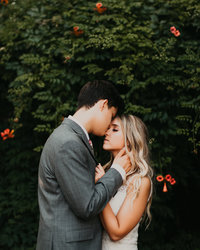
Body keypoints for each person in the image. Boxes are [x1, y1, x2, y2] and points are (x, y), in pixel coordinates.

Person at [36, 80, 131, 250]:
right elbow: (87, 206)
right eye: (111, 117)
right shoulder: (68, 143)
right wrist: (117, 171)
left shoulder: (71, 137)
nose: (109, 125)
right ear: (103, 105)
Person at [95, 114, 153, 250]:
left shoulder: (140, 181)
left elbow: (116, 233)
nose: (106, 132)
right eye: (108, 128)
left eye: (114, 130)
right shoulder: (103, 172)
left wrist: (101, 187)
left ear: (129, 140)